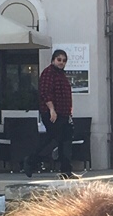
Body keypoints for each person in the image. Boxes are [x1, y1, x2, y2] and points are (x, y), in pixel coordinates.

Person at [27, 49, 76, 178]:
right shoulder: (48, 73)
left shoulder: (61, 75)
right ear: (53, 60)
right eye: (59, 60)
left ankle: (66, 171)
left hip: (64, 113)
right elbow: (45, 92)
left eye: (64, 60)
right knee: (52, 139)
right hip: (53, 113)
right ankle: (31, 161)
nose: (61, 62)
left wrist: (69, 113)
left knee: (65, 142)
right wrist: (51, 110)